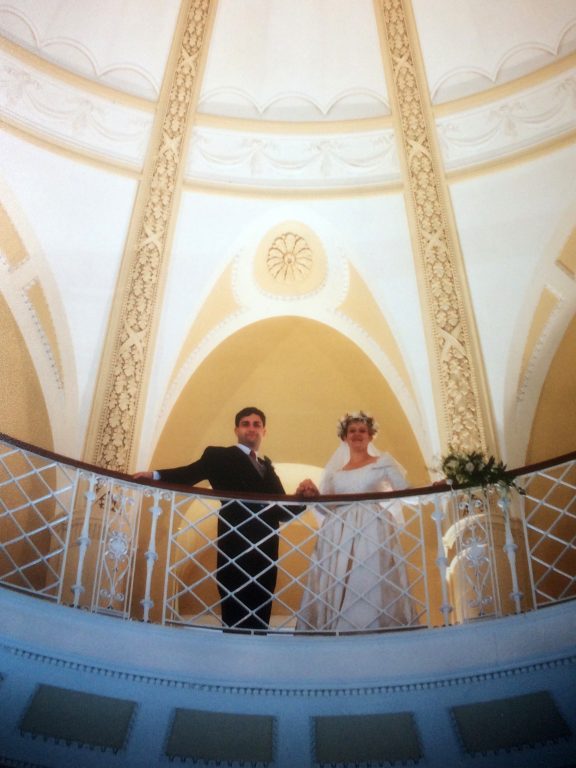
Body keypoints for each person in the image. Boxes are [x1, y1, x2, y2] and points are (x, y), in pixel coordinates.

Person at [134, 407, 306, 631]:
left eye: (256, 424)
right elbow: (189, 473)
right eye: (246, 424)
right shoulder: (219, 456)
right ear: (236, 430)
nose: (251, 428)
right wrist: (155, 475)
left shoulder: (268, 468)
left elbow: (282, 512)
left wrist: (302, 498)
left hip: (266, 551)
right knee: (234, 609)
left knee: (261, 612)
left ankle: (255, 659)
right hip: (235, 545)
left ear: (265, 431)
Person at [295, 411, 416, 632]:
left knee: (369, 579)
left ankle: (371, 627)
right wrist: (312, 495)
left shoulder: (383, 463)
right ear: (344, 437)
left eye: (363, 431)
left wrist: (434, 489)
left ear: (370, 437)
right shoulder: (335, 474)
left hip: (373, 530)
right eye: (352, 431)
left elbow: (404, 492)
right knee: (340, 576)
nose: (357, 434)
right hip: (338, 534)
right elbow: (325, 509)